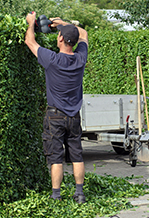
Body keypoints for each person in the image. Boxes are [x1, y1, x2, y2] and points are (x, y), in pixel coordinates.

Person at [25, 12, 88, 204]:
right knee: (76, 155)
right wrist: (63, 24)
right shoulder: (80, 59)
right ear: (73, 42)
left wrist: (30, 23)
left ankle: (56, 196)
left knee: (55, 158)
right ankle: (79, 194)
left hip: (54, 116)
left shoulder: (51, 59)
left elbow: (30, 41)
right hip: (74, 116)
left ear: (60, 39)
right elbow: (83, 34)